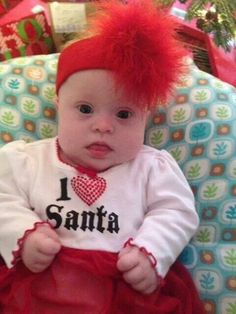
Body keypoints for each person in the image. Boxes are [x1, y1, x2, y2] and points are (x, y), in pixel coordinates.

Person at [0, 1, 205, 313]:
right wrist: (23, 232)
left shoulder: (151, 167)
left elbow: (177, 211)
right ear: (58, 105)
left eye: (124, 114)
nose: (103, 126)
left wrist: (152, 250)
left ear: (146, 117)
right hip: (39, 284)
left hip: (123, 287)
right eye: (84, 109)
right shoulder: (28, 159)